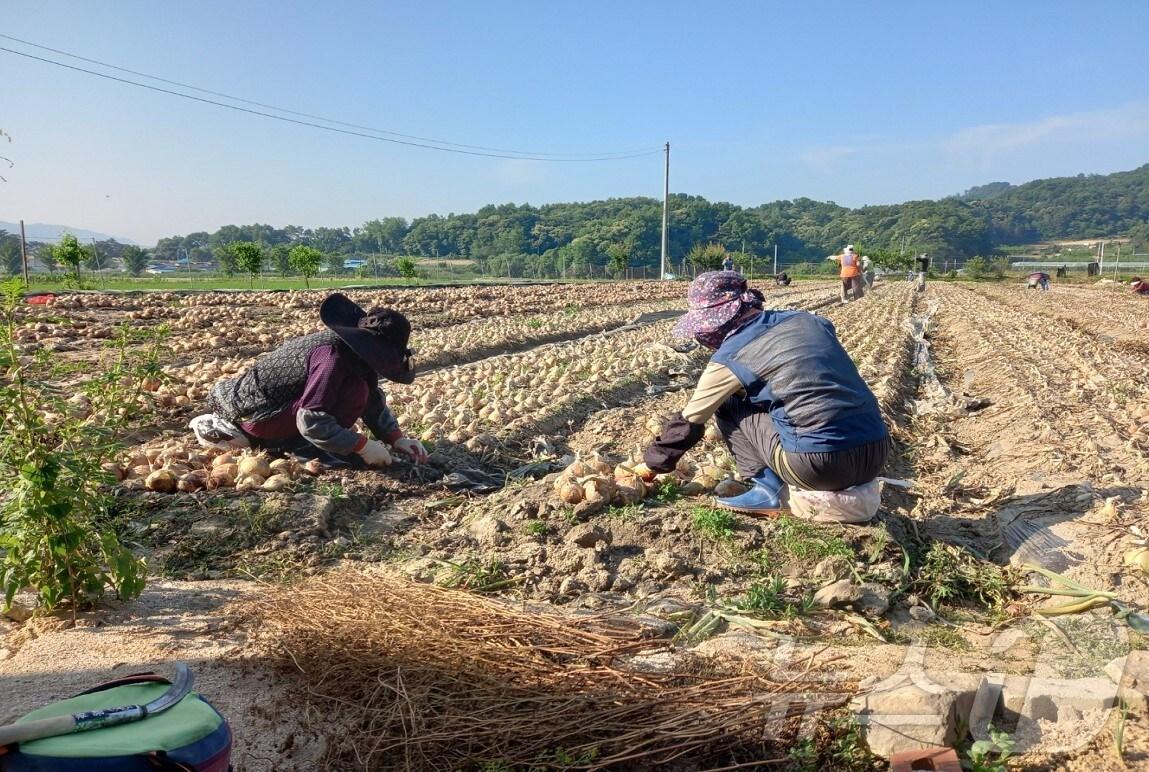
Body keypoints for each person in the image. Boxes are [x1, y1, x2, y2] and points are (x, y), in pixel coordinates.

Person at [630, 271, 890, 516]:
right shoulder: (810, 321)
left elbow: (690, 422)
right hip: (877, 451)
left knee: (729, 401)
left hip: (819, 467)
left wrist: (652, 465)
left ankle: (770, 491)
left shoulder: (730, 356)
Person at [189, 293, 428, 467]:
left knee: (361, 388)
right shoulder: (331, 358)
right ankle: (296, 445)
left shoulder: (353, 354)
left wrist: (396, 439)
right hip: (252, 416)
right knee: (354, 391)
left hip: (269, 408)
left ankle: (303, 441)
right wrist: (362, 446)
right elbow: (311, 420)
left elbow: (373, 399)